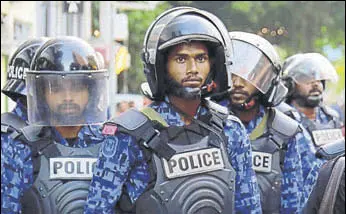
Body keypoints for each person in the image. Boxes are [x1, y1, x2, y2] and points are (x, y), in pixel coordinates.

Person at [84, 7, 261, 213]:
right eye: (181, 59)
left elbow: (248, 206)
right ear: (161, 66)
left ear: (213, 64)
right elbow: (98, 208)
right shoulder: (129, 135)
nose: (193, 68)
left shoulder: (230, 129)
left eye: (201, 58)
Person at [212, 31, 321, 213]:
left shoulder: (286, 131)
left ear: (266, 80)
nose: (238, 83)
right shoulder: (209, 123)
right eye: (233, 75)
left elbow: (299, 195)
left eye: (248, 75)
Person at [1, 36, 109, 214]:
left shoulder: (113, 144)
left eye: (77, 87)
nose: (68, 97)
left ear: (92, 91)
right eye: (56, 88)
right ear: (41, 93)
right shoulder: (18, 147)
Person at [281, 53, 345, 159]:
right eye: (307, 79)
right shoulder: (283, 118)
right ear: (290, 84)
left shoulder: (332, 117)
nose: (315, 84)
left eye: (319, 80)